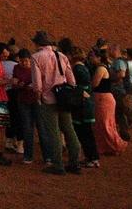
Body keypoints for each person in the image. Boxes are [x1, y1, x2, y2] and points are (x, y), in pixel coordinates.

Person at [31, 31, 82, 175]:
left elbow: (37, 83)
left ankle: (58, 164)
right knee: (69, 129)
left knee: (53, 133)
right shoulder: (62, 56)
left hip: (48, 99)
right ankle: (74, 162)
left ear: (37, 43)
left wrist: (38, 97)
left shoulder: (36, 57)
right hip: (64, 99)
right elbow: (71, 80)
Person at [90, 48, 127, 157]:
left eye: (92, 56)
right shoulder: (103, 67)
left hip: (103, 99)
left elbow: (95, 84)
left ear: (98, 57)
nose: (90, 59)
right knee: (102, 124)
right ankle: (106, 147)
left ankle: (117, 145)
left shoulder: (100, 69)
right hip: (103, 98)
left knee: (105, 124)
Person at [67, 41, 98, 169]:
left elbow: (81, 87)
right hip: (86, 104)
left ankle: (92, 158)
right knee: (87, 133)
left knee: (83, 133)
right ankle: (92, 158)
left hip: (82, 106)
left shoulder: (78, 69)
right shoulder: (84, 67)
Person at [12, 49, 40, 164]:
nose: (24, 63)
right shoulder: (16, 68)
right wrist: (18, 85)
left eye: (26, 61)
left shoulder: (35, 67)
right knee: (27, 128)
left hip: (35, 100)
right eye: (22, 61)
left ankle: (47, 155)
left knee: (40, 127)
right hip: (23, 100)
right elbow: (14, 83)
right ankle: (28, 155)